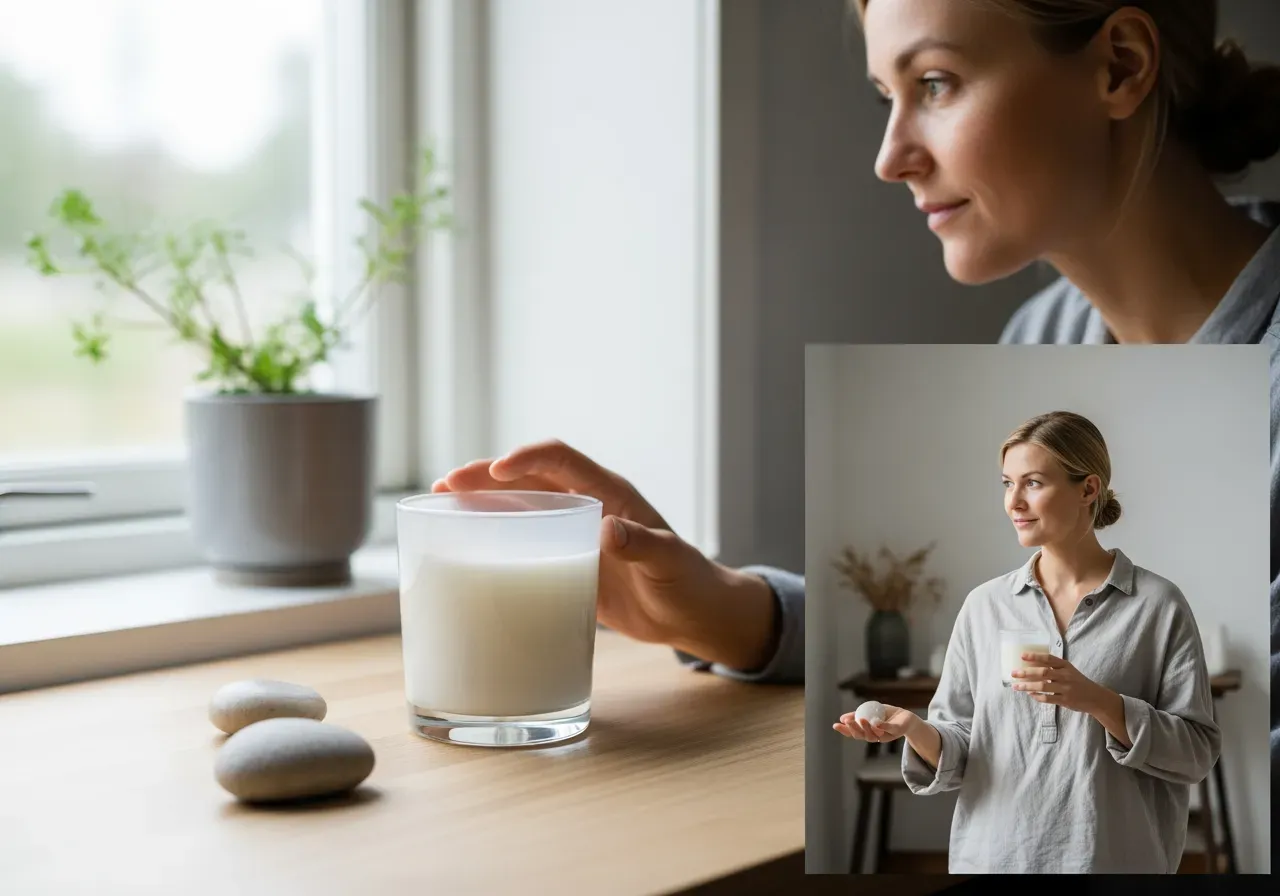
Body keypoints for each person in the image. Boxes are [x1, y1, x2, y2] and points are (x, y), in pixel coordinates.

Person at [438, 0, 1279, 782]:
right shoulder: (1046, 333)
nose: (889, 157)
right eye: (888, 95)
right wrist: (725, 609)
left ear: (1120, 67)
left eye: (936, 84)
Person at [831, 411, 1221, 873]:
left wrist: (1099, 701)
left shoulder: (1157, 605)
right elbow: (963, 743)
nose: (1013, 502)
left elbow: (1196, 754)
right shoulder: (985, 606)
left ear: (1088, 489)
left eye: (1033, 482)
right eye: (1006, 483)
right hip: (993, 858)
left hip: (1113, 859)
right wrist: (913, 729)